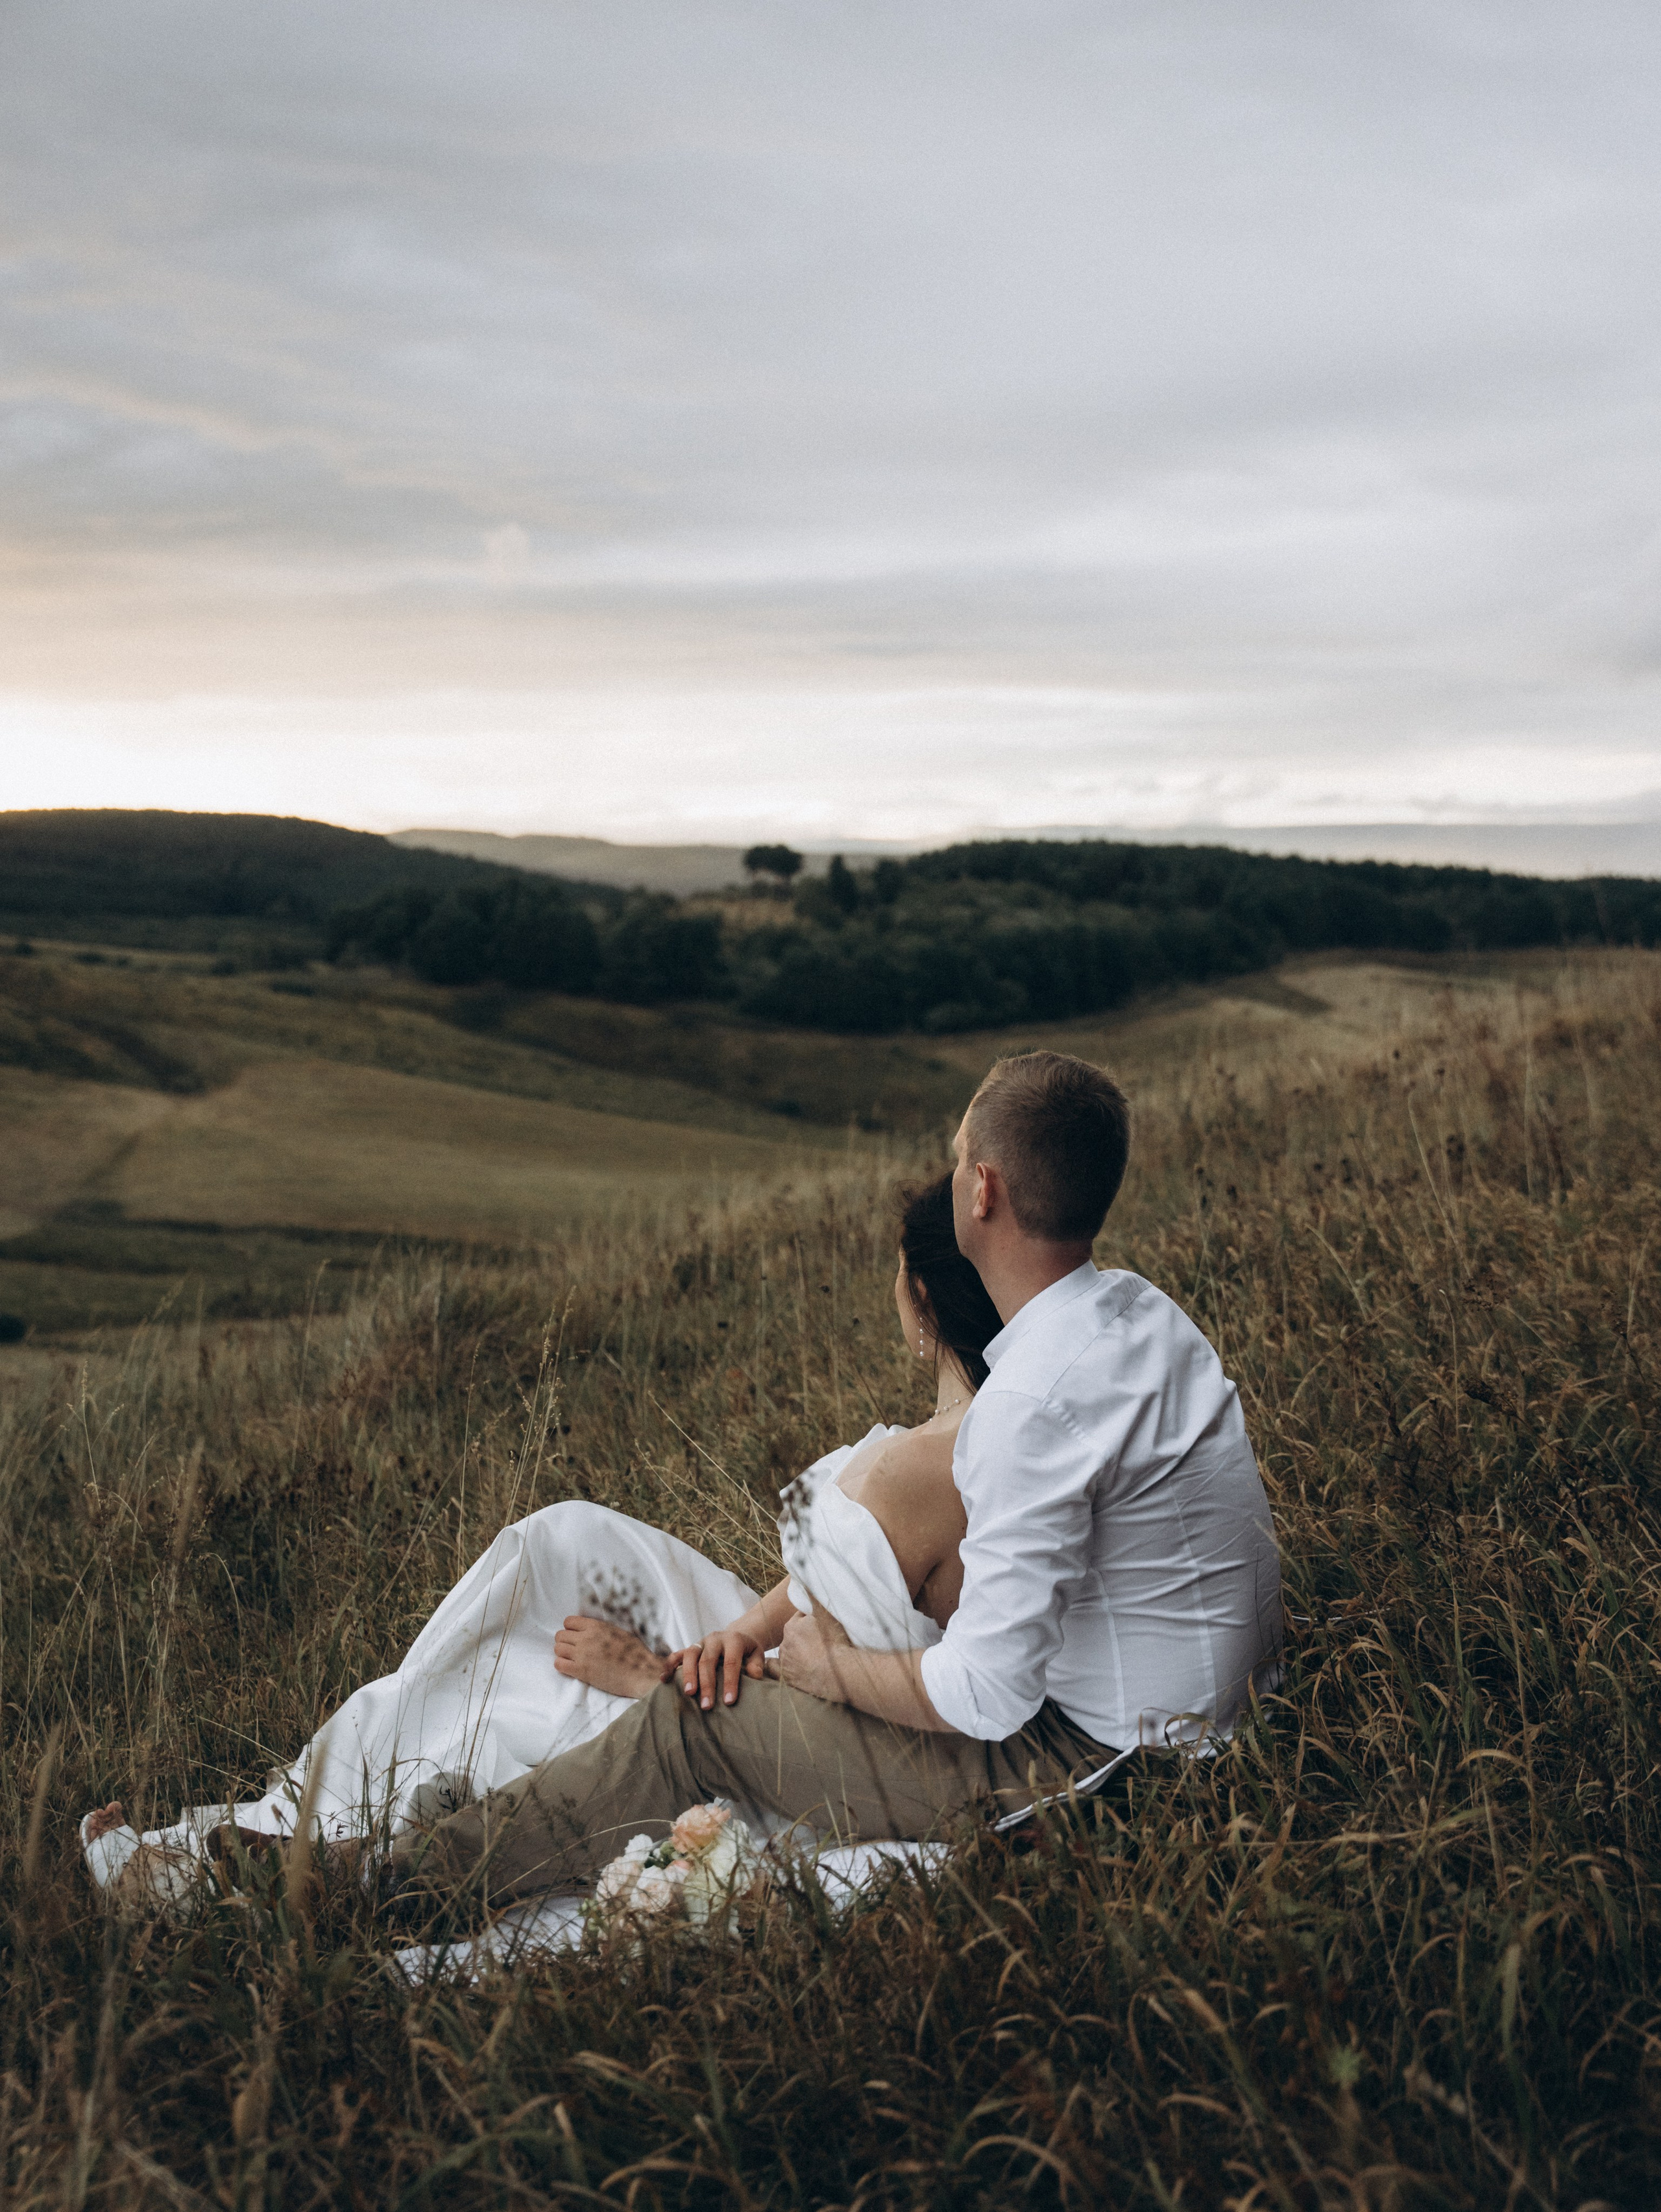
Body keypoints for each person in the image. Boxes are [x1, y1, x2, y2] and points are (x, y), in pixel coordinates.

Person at [386, 1050, 1283, 1905]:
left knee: (692, 1724)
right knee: (765, 1692)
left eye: (959, 1153)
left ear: (985, 1190)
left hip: (1105, 1775)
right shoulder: (1141, 1309)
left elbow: (991, 1692)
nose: (954, 1170)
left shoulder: (1029, 1403)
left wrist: (836, 1670)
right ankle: (462, 1840)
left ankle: (402, 1883)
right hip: (1202, 1719)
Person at [79, 1175, 999, 1910]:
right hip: (785, 1673)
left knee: (573, 1688)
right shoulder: (947, 1445)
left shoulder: (927, 1478)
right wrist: (739, 1633)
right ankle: (356, 1795)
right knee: (562, 1542)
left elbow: (833, 1673)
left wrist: (655, 1673)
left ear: (920, 1302)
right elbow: (809, 1597)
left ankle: (348, 1867)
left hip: (828, 1721)